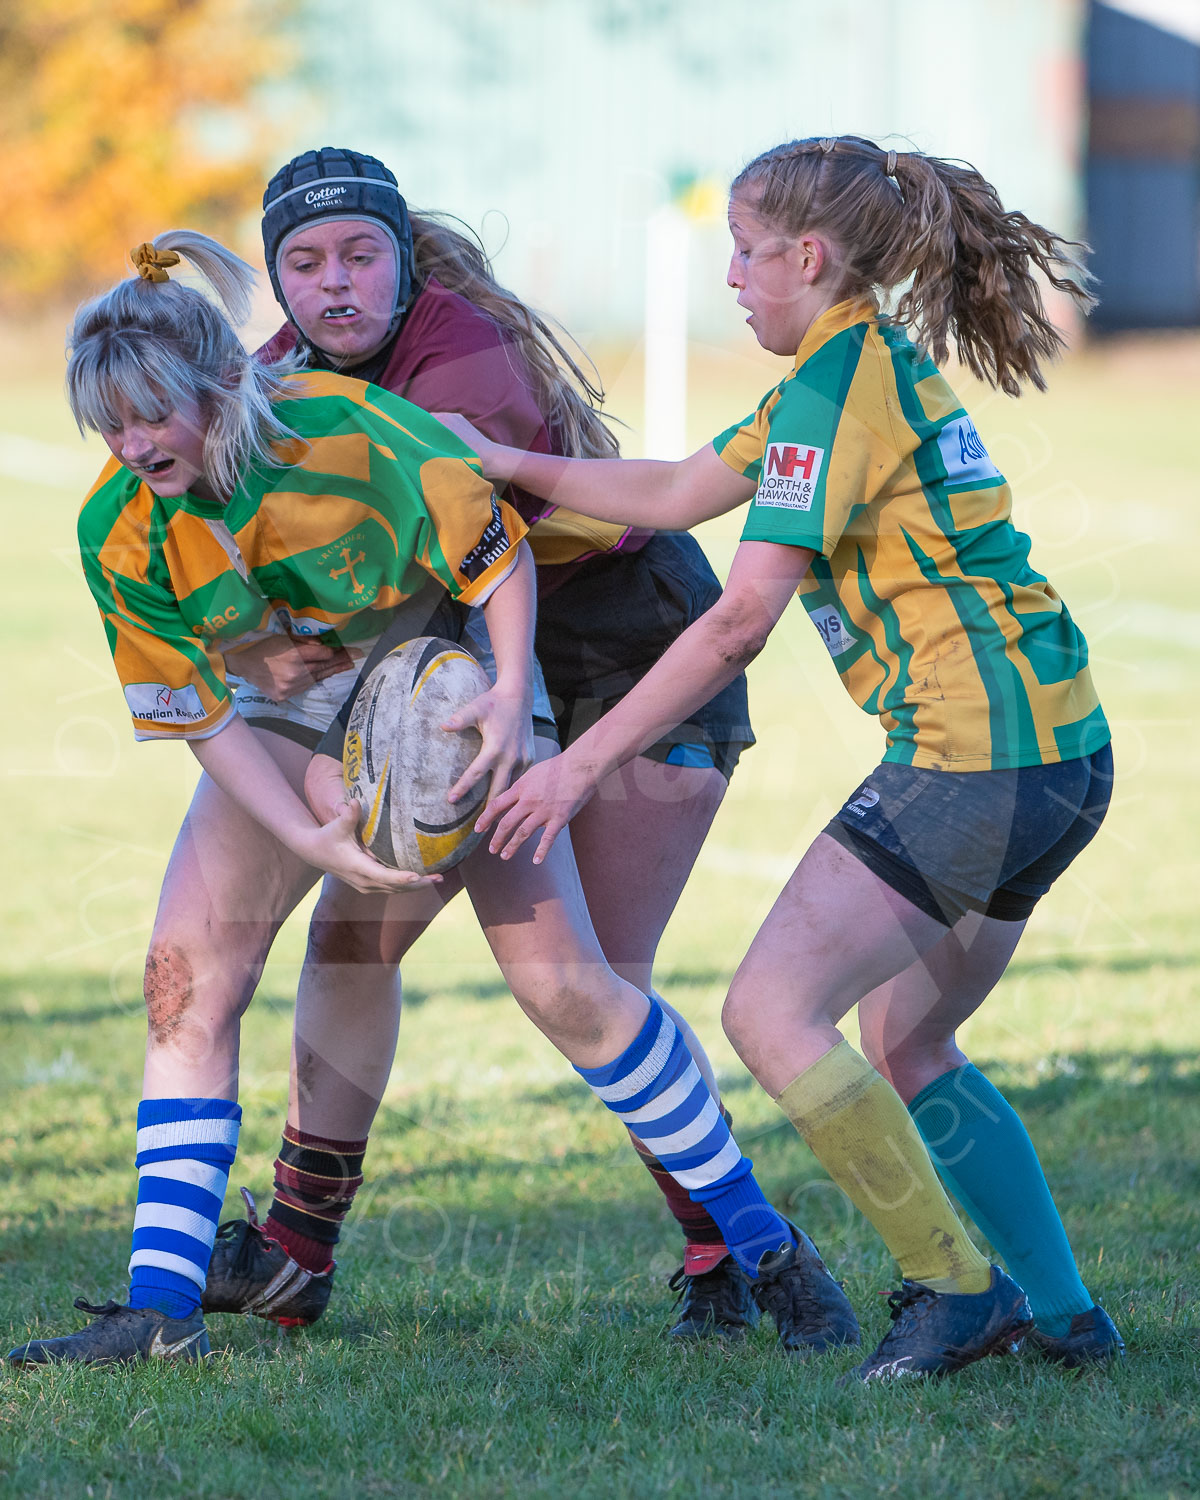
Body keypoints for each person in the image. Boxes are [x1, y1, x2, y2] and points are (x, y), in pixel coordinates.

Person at [8, 230, 855, 1367]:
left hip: (448, 681)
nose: (131, 443)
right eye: (108, 422)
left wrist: (510, 700)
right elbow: (204, 716)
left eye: (151, 413)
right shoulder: (116, 526)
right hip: (295, 703)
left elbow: (497, 556)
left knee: (568, 988)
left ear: (220, 384)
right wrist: (310, 822)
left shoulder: (350, 436)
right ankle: (159, 1306)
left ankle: (767, 1251)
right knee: (185, 979)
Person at [440, 135, 1125, 1381]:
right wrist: (502, 466)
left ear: (807, 257)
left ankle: (954, 1289)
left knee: (768, 1011)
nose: (734, 280)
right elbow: (670, 490)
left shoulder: (832, 386)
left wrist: (574, 764)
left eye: (747, 255)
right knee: (905, 1040)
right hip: (1061, 753)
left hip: (972, 757)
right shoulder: (846, 363)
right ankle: (1070, 1316)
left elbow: (739, 617)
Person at [200, 147, 766, 1341]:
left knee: (587, 981)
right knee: (354, 941)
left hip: (623, 649)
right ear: (275, 278)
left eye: (362, 255)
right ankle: (299, 1251)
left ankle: (744, 1256)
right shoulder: (277, 373)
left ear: (405, 266)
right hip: (467, 660)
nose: (335, 283)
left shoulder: (465, 361)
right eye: (305, 262)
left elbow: (389, 547)